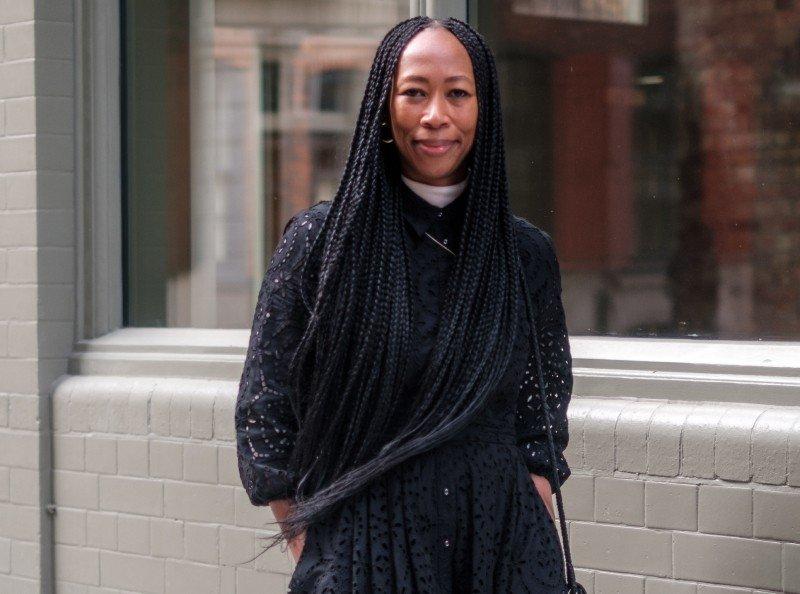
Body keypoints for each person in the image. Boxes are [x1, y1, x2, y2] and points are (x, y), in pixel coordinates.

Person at [235, 15, 573, 593]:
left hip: (501, 545)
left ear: (483, 108)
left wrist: (529, 520)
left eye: (457, 94)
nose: (435, 116)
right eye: (415, 92)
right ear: (383, 106)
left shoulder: (525, 253)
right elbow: (266, 410)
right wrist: (315, 546)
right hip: (365, 543)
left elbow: (539, 419)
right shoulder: (321, 242)